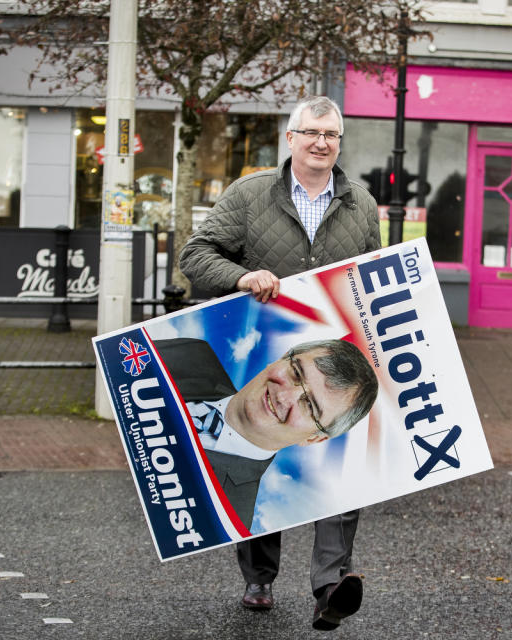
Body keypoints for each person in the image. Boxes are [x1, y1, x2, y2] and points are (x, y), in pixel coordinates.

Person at [178, 95, 380, 631]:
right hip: (276, 354)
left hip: (337, 366)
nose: (321, 143)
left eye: (332, 136)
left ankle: (331, 586)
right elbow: (195, 256)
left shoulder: (361, 203)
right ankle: (259, 576)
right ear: (289, 138)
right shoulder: (249, 194)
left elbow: (374, 278)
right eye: (312, 132)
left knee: (340, 473)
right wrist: (243, 277)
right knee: (256, 450)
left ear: (339, 143)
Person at [152, 336, 378, 528]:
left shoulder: (226, 515)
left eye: (309, 405)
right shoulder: (193, 354)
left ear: (315, 438)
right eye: (296, 373)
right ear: (281, 358)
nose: (284, 396)